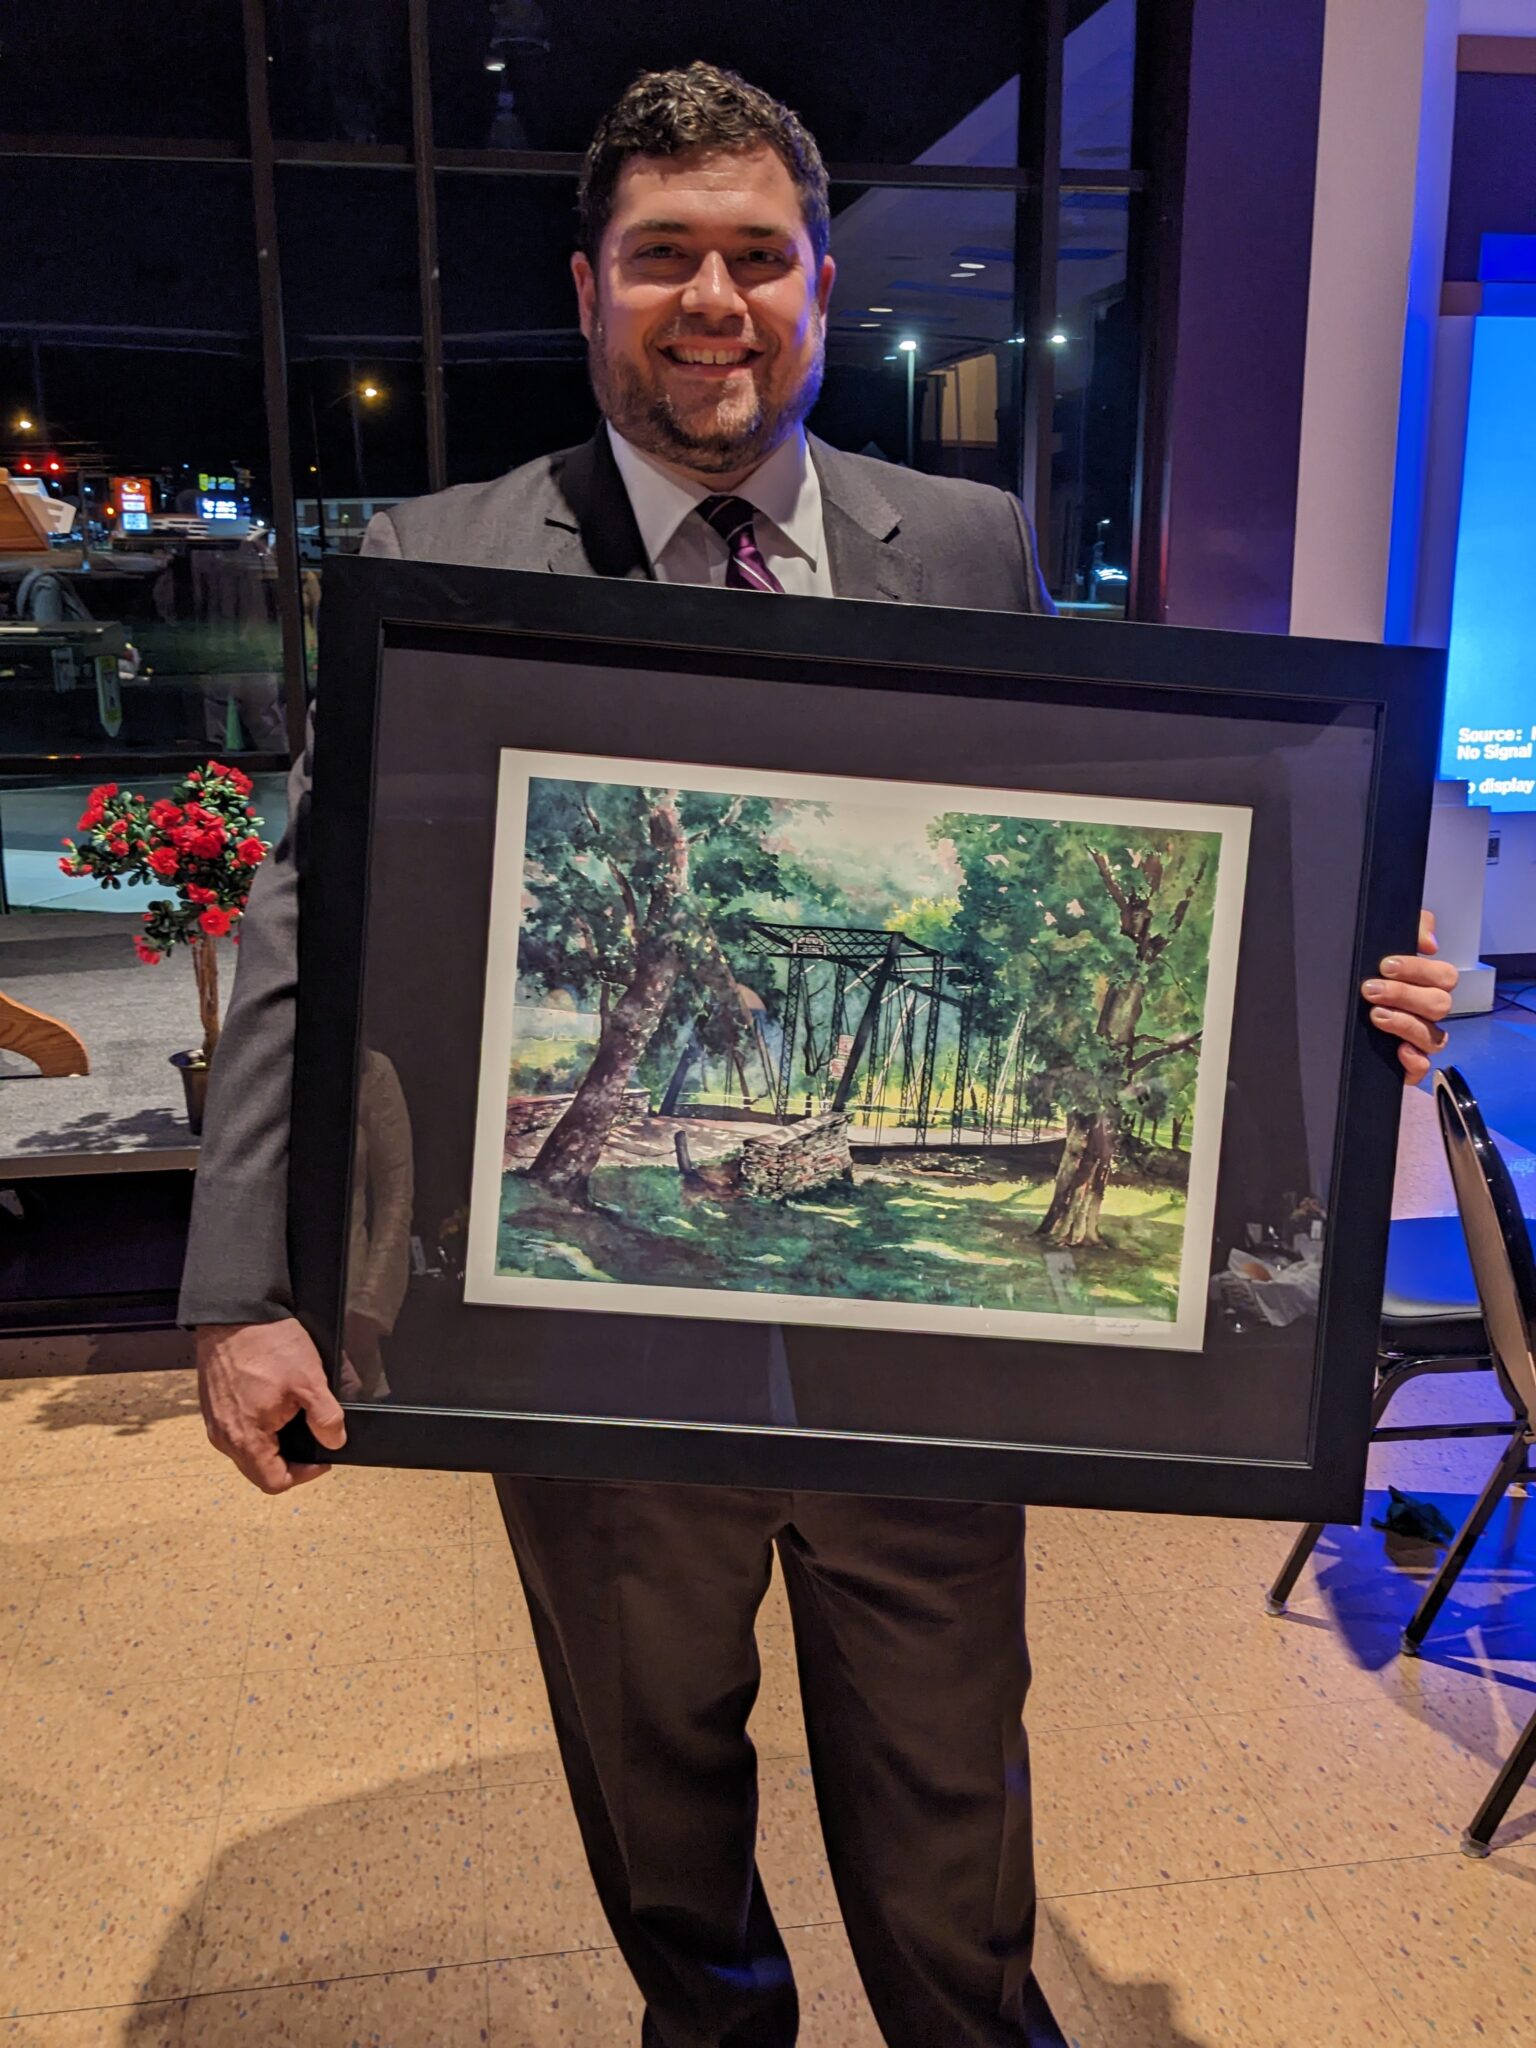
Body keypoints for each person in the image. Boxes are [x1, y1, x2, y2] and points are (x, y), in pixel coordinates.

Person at [182, 63, 1459, 2048]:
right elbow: (296, 932)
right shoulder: (448, 559)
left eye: (756, 256)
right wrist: (247, 1290)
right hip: (583, 1369)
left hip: (927, 1389)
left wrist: (1339, 989)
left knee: (956, 1799)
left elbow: (1133, 847)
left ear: (822, 281)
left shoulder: (959, 534)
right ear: (590, 284)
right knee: (656, 1788)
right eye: (665, 257)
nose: (716, 300)